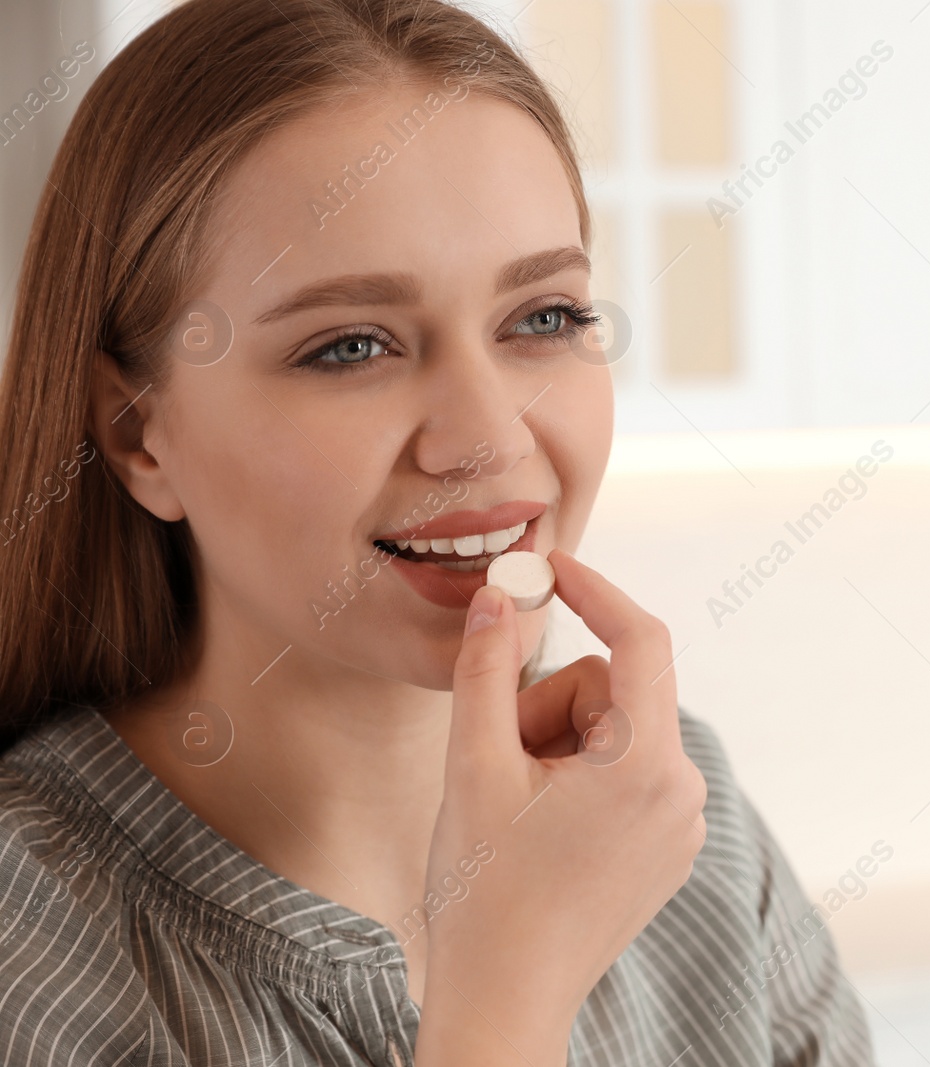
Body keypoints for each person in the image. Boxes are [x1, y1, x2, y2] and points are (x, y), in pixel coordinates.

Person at [0, 1, 873, 1063]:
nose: (484, 437)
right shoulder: (28, 935)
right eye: (351, 345)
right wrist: (510, 995)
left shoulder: (669, 803)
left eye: (543, 318)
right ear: (140, 436)